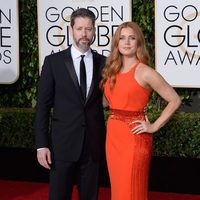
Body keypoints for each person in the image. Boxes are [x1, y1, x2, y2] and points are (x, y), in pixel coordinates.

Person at [100, 21, 181, 200]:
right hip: (113, 136)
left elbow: (174, 100)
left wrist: (153, 126)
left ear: (139, 43)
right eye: (122, 38)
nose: (127, 42)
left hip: (134, 138)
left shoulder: (145, 72)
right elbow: (106, 102)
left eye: (132, 38)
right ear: (116, 43)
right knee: (119, 188)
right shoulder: (111, 71)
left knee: (132, 189)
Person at [35, 8, 106, 200]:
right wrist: (41, 145)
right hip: (62, 146)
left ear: (94, 31)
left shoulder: (105, 63)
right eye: (80, 28)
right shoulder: (53, 62)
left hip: (93, 146)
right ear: (71, 30)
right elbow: (42, 106)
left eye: (89, 29)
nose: (84, 34)